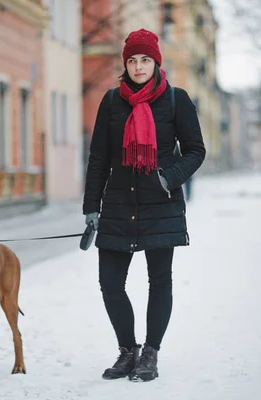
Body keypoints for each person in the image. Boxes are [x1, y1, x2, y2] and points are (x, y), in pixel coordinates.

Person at [82, 28, 206, 382]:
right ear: (126, 63)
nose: (138, 67)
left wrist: (168, 177)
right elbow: (98, 158)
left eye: (145, 60)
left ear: (156, 62)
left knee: (159, 282)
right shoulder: (111, 101)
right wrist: (92, 207)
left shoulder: (175, 99)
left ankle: (150, 352)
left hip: (160, 205)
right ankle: (127, 351)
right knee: (110, 283)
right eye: (133, 60)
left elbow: (196, 150)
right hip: (118, 204)